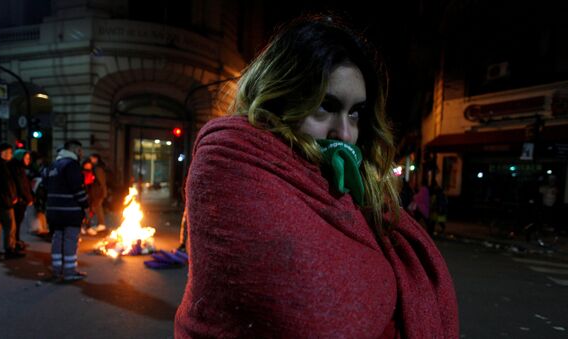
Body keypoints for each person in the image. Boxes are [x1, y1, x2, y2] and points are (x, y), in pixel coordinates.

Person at [175, 15, 458, 338]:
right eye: (325, 106)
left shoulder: (353, 186)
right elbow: (316, 317)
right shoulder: (230, 156)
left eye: (355, 112)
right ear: (280, 97)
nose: (345, 133)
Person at [45, 140, 89, 281]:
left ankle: (56, 269)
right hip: (70, 210)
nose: (82, 153)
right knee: (70, 240)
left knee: (57, 239)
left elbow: (45, 185)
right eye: (80, 150)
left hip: (53, 210)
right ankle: (70, 272)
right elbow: (77, 188)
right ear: (75, 150)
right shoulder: (71, 165)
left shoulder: (53, 165)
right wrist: (86, 206)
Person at [8, 149, 34, 250]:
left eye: (29, 158)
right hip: (18, 200)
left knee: (17, 222)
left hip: (20, 199)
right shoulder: (16, 169)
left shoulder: (19, 168)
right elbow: (21, 185)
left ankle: (16, 240)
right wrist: (28, 198)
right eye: (26, 158)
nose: (28, 160)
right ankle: (14, 242)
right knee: (16, 222)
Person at [86, 153, 108, 233]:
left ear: (96, 159)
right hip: (97, 191)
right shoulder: (97, 168)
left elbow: (101, 182)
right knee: (95, 207)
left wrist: (103, 192)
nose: (90, 160)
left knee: (96, 207)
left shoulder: (97, 169)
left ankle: (101, 225)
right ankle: (99, 224)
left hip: (98, 192)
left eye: (91, 158)